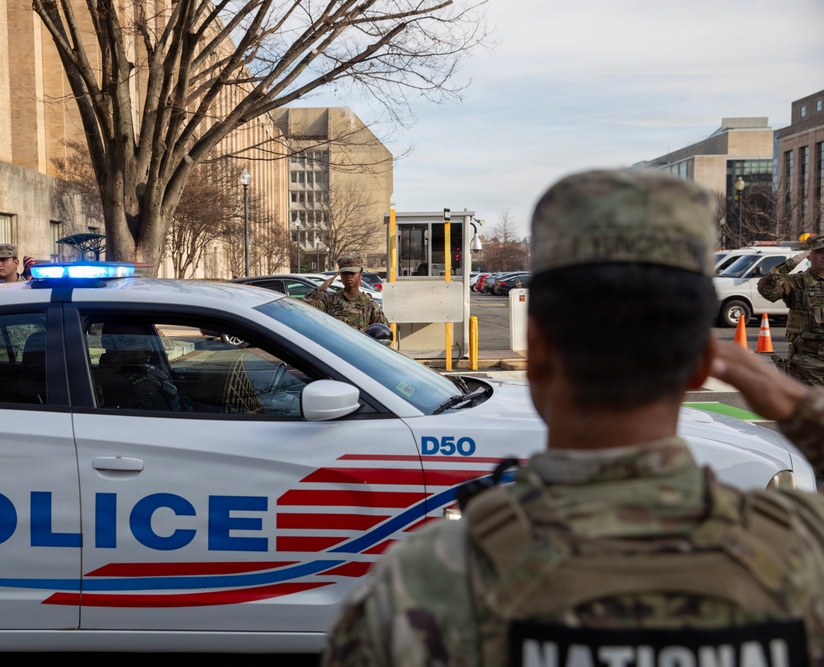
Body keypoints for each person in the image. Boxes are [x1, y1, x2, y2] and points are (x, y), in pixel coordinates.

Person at [322, 169, 824, 665]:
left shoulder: (425, 584)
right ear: (701, 364)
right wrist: (793, 401)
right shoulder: (801, 554)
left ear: (536, 352)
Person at [757, 236, 824, 385]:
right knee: (807, 407)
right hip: (807, 363)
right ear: (809, 255)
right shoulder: (796, 282)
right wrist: (790, 263)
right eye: (819, 251)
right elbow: (767, 290)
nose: (823, 255)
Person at [305, 253, 388, 332]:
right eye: (345, 273)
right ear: (340, 275)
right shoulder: (330, 300)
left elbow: (383, 333)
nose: (348, 276)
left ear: (360, 275)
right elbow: (303, 310)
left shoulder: (370, 305)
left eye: (352, 273)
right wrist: (320, 289)